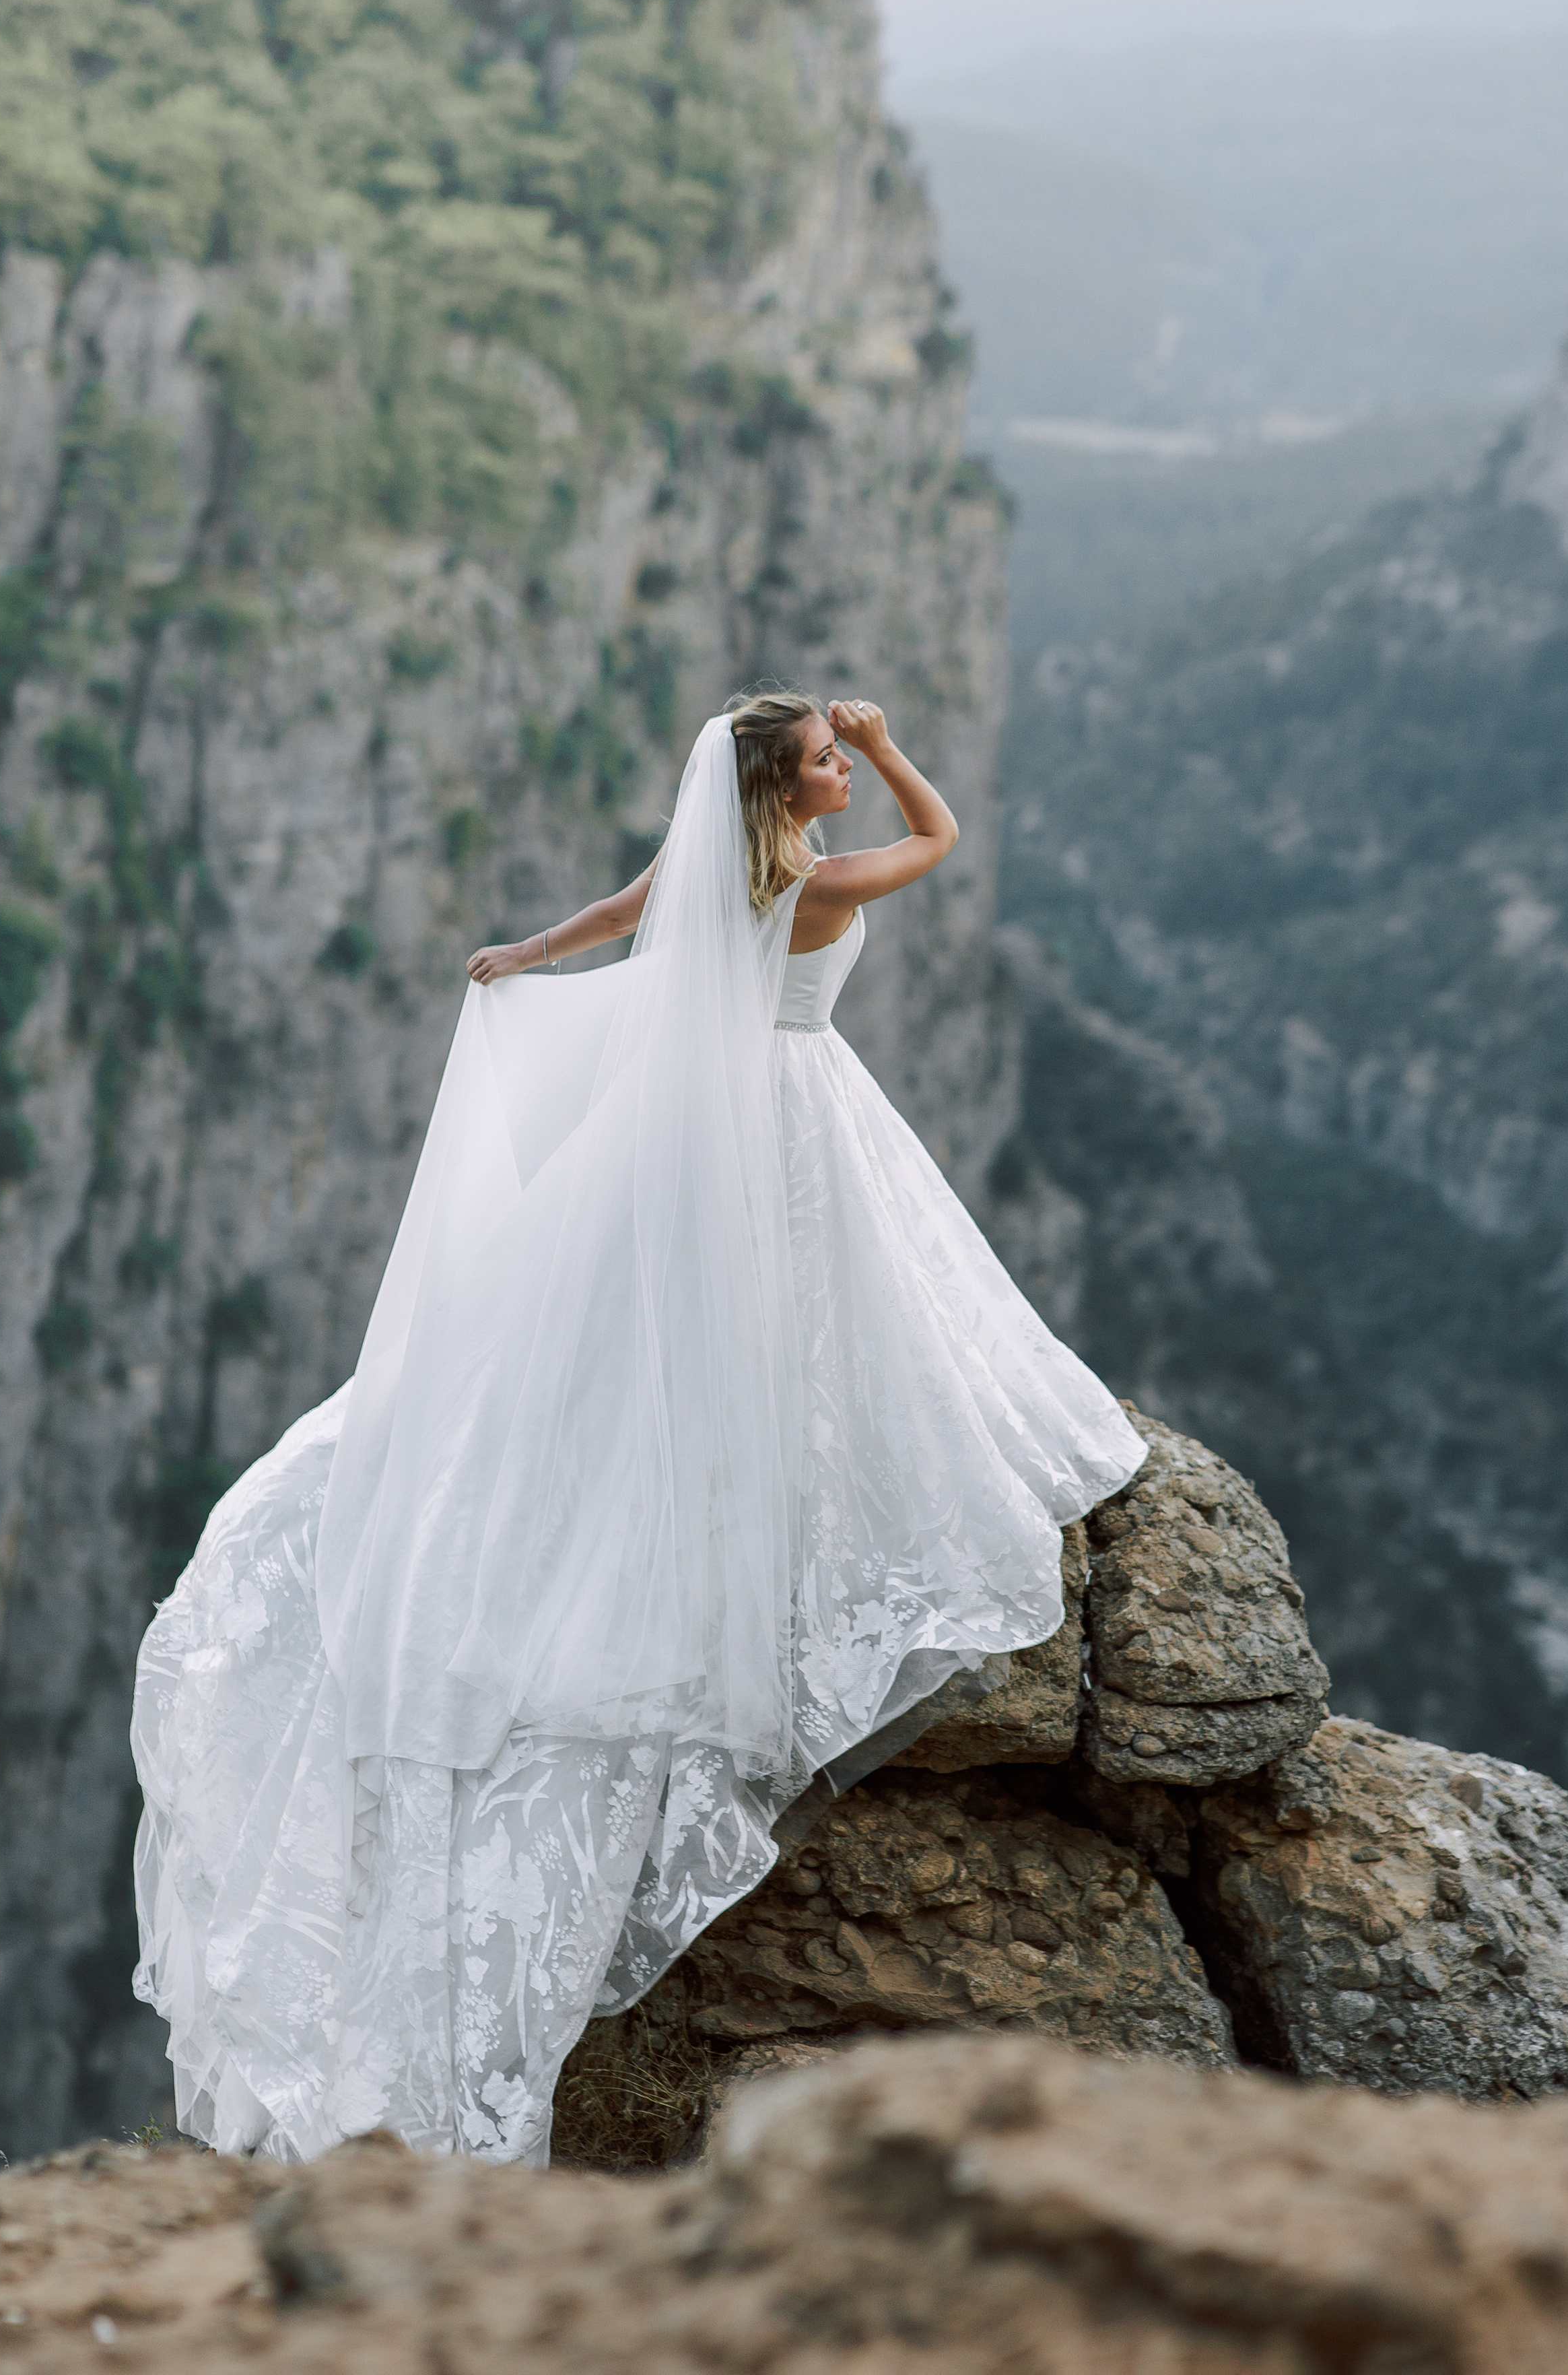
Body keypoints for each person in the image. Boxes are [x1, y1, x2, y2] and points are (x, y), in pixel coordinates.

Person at [131, 688, 1145, 2168]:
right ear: (787, 785)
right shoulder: (816, 881)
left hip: (686, 1138)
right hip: (794, 1120)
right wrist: (887, 745)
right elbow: (938, 832)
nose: (841, 777)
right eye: (820, 763)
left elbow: (626, 906)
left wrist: (526, 956)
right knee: (835, 1334)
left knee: (642, 1345)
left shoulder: (715, 869)